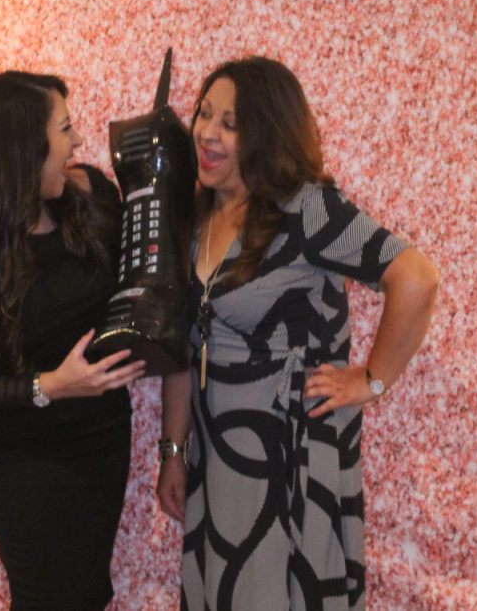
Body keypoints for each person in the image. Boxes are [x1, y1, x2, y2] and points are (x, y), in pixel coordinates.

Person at [156, 57, 439, 610]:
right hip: (218, 452)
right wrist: (172, 448)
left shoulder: (307, 209)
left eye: (230, 123)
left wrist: (372, 380)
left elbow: (416, 278)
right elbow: (184, 345)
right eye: (204, 114)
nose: (207, 133)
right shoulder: (195, 215)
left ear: (266, 132)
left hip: (290, 452)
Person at [0, 71, 145, 610]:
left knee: (86, 594)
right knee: (49, 598)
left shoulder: (90, 198)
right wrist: (51, 386)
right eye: (64, 129)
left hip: (102, 437)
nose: (77, 142)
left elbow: (140, 276)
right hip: (19, 455)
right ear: (21, 147)